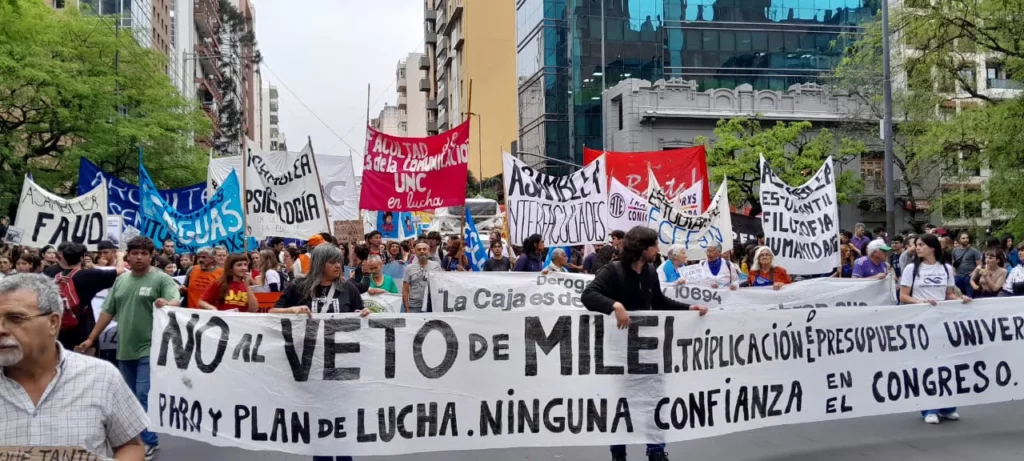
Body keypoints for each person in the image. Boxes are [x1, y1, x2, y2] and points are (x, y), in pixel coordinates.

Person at [581, 226, 707, 461]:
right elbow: (588, 296)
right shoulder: (612, 271)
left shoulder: (650, 271)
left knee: (654, 401)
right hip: (619, 355)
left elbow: (659, 301)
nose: (658, 249)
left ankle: (656, 450)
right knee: (621, 404)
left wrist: (689, 308)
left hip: (649, 352)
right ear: (642, 248)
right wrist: (615, 306)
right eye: (654, 245)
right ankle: (618, 452)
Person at [0, 274, 149, 460]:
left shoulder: (101, 377)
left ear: (53, 323)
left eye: (15, 318)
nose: (1, 329)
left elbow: (131, 446)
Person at [77, 236, 181, 458]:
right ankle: (136, 440)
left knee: (143, 396)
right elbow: (108, 310)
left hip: (151, 348)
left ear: (151, 256)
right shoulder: (121, 281)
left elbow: (176, 299)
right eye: (135, 253)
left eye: (144, 253)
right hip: (125, 348)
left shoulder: (161, 279)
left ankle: (148, 441)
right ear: (128, 256)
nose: (140, 257)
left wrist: (167, 303)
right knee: (129, 398)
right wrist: (92, 338)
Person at [898, 233, 970, 425]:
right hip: (921, 321)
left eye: (921, 245)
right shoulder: (911, 269)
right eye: (916, 245)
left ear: (932, 247)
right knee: (927, 364)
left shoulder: (946, 268)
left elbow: (948, 294)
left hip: (943, 320)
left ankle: (947, 407)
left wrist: (960, 299)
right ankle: (928, 408)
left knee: (947, 362)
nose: (917, 248)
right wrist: (921, 302)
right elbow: (903, 296)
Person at [51, 241, 124, 351]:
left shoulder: (56, 276)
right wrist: (120, 256)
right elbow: (119, 271)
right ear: (82, 258)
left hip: (59, 330)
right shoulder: (89, 275)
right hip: (82, 332)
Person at [271, 244, 370, 317]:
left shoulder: (347, 286)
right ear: (319, 264)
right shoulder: (298, 285)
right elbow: (272, 312)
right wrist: (292, 310)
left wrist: (362, 313)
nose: (338, 266)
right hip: (306, 344)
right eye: (332, 262)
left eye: (339, 262)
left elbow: (361, 312)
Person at [404, 240, 442, 313]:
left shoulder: (436, 266)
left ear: (428, 251)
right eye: (419, 250)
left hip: (431, 305)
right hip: (414, 306)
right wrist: (406, 309)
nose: (422, 251)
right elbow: (405, 290)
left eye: (424, 249)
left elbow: (440, 285)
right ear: (415, 252)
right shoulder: (409, 268)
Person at [952, 232, 983, 298]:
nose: (966, 240)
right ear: (959, 240)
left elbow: (979, 265)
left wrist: (973, 274)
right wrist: (954, 273)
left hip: (969, 277)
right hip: (958, 276)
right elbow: (953, 263)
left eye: (967, 238)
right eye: (963, 238)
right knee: (958, 296)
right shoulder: (955, 250)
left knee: (969, 297)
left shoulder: (974, 251)